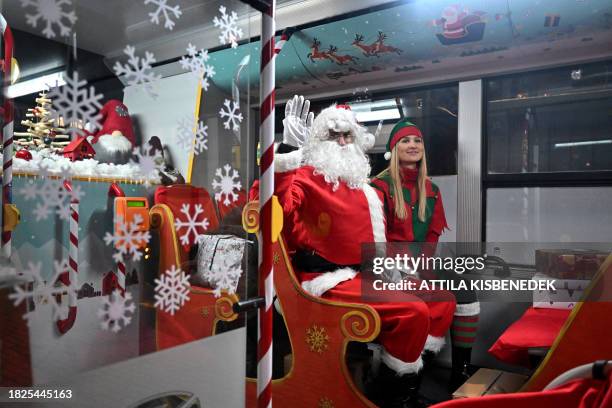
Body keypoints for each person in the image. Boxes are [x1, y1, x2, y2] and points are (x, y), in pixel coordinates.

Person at [250, 96, 443, 407]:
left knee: (440, 300)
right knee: (413, 310)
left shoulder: (361, 186)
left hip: (364, 273)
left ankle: (395, 377)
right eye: (332, 135)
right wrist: (286, 154)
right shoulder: (304, 176)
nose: (341, 141)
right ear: (318, 140)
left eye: (347, 135)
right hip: (324, 279)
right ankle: (391, 397)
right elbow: (269, 205)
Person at [370, 119, 481, 390]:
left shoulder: (432, 190)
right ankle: (409, 376)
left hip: (419, 262)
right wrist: (406, 270)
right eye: (405, 141)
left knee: (465, 286)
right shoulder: (378, 187)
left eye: (417, 141)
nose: (413, 145)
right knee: (422, 297)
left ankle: (461, 370)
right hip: (389, 267)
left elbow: (432, 236)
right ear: (394, 150)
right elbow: (377, 239)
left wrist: (425, 269)